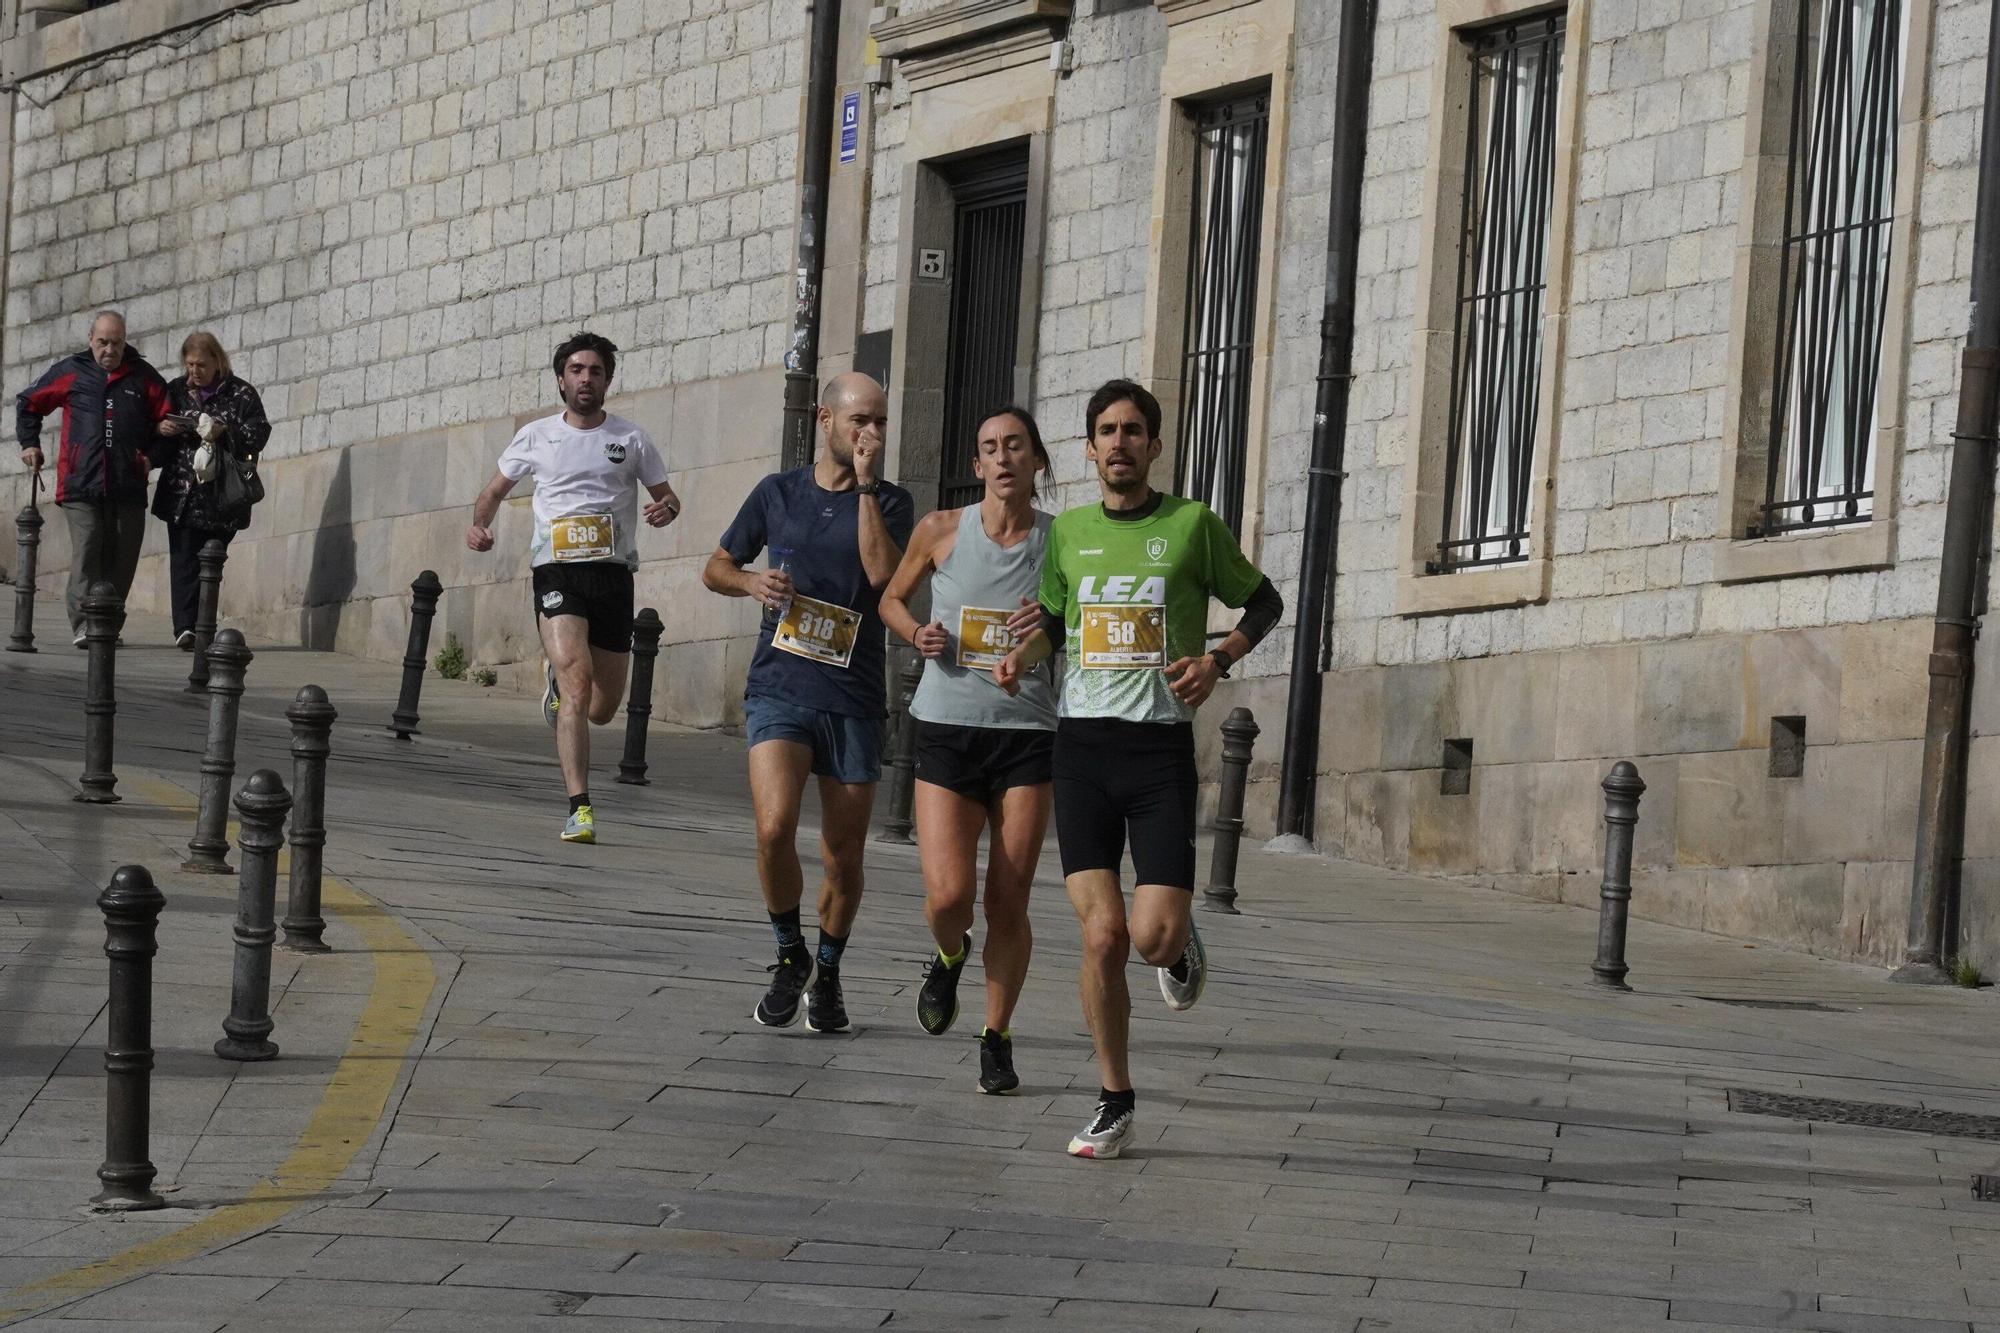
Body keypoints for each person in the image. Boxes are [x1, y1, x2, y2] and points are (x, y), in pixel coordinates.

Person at [995, 378, 1284, 1159]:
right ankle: (1114, 1098)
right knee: (1102, 936)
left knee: (1151, 938)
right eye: (1105, 431)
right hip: (1082, 748)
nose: (1118, 442)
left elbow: (1265, 602)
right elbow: (1058, 618)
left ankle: (1181, 944)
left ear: (1154, 446)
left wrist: (1219, 658)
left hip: (1158, 752)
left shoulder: (1192, 525)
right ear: (1088, 450)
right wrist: (1023, 656)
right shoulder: (1070, 533)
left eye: (1132, 430)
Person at [702, 372, 913, 1034]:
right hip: (780, 686)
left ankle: (829, 971)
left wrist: (870, 489)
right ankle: (790, 953)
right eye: (860, 421)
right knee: (773, 828)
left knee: (844, 856)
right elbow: (715, 566)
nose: (872, 433)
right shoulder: (777, 492)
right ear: (827, 419)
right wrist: (750, 580)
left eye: (880, 421)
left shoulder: (894, 502)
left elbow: (883, 576)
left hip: (851, 695)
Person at [879, 406, 1056, 1094]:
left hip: (1027, 732)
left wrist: (1053, 620)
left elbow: (1075, 617)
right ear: (977, 465)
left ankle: (996, 1035)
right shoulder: (940, 529)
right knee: (949, 895)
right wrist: (916, 632)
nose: (1003, 458)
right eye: (989, 448)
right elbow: (892, 597)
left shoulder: (1061, 541)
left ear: (1037, 460)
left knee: (1008, 900)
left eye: (1016, 445)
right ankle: (949, 953)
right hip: (948, 726)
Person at [466, 331, 680, 844]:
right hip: (556, 570)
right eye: (577, 371)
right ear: (561, 379)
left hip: (612, 573)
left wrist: (664, 510)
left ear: (608, 381)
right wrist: (480, 526)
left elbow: (669, 498)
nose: (586, 379)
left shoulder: (631, 439)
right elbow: (493, 492)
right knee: (578, 684)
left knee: (603, 708)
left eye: (596, 372)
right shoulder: (537, 436)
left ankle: (558, 694)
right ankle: (578, 806)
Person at [16, 310, 172, 646]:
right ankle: (84, 624)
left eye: (116, 343)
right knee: (88, 548)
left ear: (125, 341)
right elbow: (29, 403)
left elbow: (168, 422)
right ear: (91, 339)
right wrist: (30, 444)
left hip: (128, 483)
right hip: (79, 482)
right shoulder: (73, 371)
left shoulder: (143, 377)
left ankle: (108, 625)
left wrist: (151, 458)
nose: (109, 350)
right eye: (102, 342)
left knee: (123, 555)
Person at [154, 332, 272, 648]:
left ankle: (203, 622)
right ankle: (185, 628)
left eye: (201, 365)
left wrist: (224, 431)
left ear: (217, 362)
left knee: (210, 561)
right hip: (182, 493)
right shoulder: (176, 391)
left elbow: (258, 433)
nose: (195, 371)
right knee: (183, 559)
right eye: (190, 364)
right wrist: (162, 428)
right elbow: (153, 421)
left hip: (221, 498)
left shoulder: (241, 394)